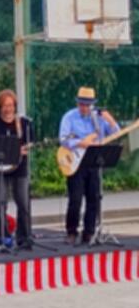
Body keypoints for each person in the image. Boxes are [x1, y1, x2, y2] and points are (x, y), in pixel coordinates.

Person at [59, 87, 120, 245]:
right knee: (75, 199)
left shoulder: (98, 119)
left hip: (93, 161)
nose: (84, 107)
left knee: (94, 198)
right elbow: (63, 139)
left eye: (87, 104)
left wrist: (110, 120)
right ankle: (71, 231)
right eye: (82, 104)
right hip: (76, 162)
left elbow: (116, 133)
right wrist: (81, 142)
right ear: (77, 103)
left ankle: (89, 232)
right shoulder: (69, 117)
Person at [0, 89, 35, 250]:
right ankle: (3, 237)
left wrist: (25, 148)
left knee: (23, 202)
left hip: (19, 166)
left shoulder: (23, 123)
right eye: (5, 106)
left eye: (11, 105)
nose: (8, 109)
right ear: (0, 107)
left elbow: (30, 142)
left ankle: (24, 237)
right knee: (0, 203)